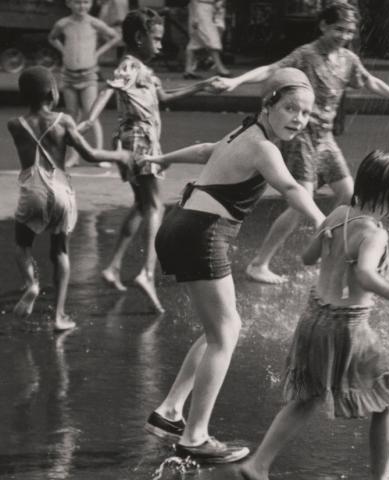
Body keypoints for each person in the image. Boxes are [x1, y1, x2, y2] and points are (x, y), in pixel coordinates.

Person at [140, 68, 328, 463]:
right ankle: (195, 435)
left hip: (182, 225)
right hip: (202, 231)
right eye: (290, 107)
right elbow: (292, 187)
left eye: (306, 113)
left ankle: (170, 411)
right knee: (226, 333)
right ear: (269, 104)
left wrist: (161, 157)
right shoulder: (264, 148)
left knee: (218, 329)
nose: (297, 118)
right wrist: (325, 226)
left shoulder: (242, 133)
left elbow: (204, 150)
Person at [213, 3, 389, 284]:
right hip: (301, 136)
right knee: (299, 201)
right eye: (338, 29)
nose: (344, 35)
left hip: (325, 139)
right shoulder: (306, 55)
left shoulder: (348, 59)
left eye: (350, 31)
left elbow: (370, 82)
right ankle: (259, 263)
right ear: (323, 26)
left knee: (350, 195)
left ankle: (335, 249)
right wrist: (236, 81)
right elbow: (272, 70)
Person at [237, 151, 389, 480]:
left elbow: (308, 257)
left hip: (312, 318)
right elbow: (365, 274)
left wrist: (329, 242)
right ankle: (382, 476)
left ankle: (257, 465)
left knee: (306, 398)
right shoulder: (375, 234)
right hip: (347, 326)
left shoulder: (338, 214)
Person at [82, 9, 217, 313]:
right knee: (155, 206)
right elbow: (109, 88)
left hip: (140, 140)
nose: (159, 45)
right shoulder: (130, 66)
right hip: (139, 140)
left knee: (143, 205)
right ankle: (145, 273)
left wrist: (201, 86)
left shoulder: (144, 70)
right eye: (156, 39)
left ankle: (113, 267)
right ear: (140, 38)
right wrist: (90, 120)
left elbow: (165, 97)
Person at [8, 67, 133, 331]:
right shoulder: (64, 121)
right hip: (61, 190)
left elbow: (44, 140)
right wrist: (120, 156)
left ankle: (31, 284)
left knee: (22, 246)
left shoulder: (15, 125)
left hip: (32, 190)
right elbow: (89, 155)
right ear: (52, 92)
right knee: (60, 251)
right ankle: (59, 316)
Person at [48, 0, 120, 168]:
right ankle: (74, 156)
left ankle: (99, 154)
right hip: (68, 75)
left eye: (86, 2)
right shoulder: (63, 23)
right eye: (78, 2)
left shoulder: (94, 22)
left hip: (88, 75)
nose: (82, 6)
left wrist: (98, 53)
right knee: (72, 116)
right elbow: (52, 38)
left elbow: (115, 36)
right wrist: (63, 50)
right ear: (68, 4)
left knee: (91, 115)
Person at [184, 0, 231, 79]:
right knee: (211, 37)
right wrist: (195, 16)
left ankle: (188, 69)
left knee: (195, 41)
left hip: (208, 8)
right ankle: (220, 67)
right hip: (199, 8)